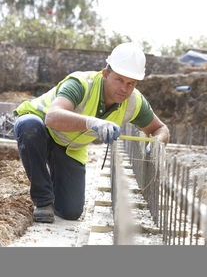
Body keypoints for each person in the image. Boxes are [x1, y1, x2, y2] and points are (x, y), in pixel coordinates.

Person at [13, 42, 170, 224]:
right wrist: (92, 122)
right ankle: (43, 200)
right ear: (105, 74)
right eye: (119, 79)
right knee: (29, 126)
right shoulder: (81, 84)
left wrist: (156, 142)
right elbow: (52, 117)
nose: (124, 89)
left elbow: (161, 129)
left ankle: (54, 180)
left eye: (131, 83)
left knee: (71, 211)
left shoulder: (134, 103)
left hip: (69, 147)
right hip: (42, 130)